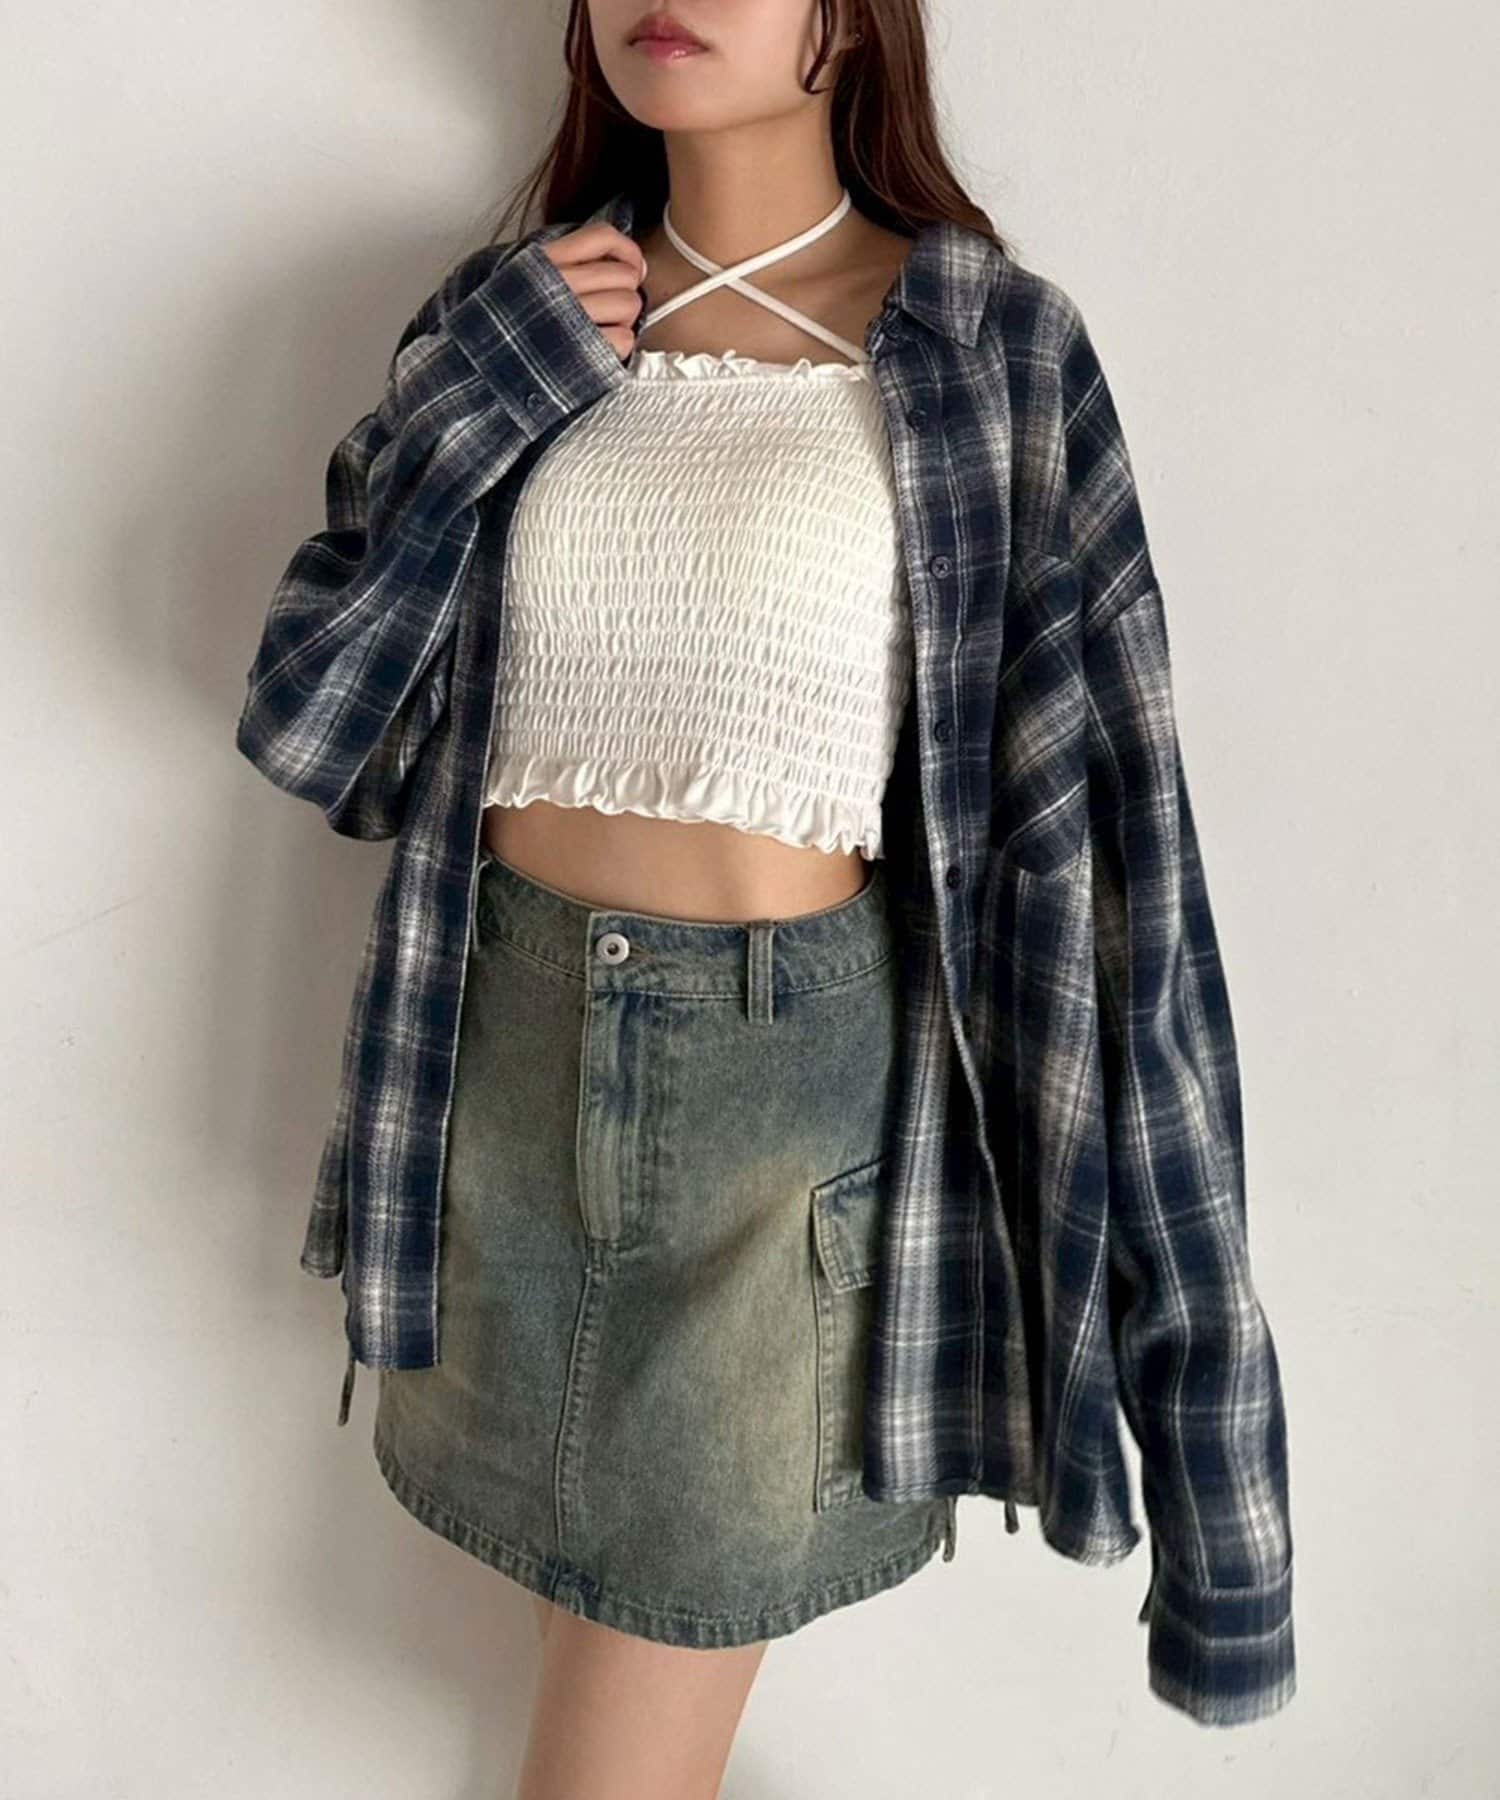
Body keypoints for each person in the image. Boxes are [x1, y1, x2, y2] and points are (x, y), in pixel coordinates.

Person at [236, 1, 1297, 1792]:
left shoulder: (993, 352)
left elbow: (1119, 887)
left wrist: (1213, 1467)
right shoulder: (510, 316)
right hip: (490, 1109)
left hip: (780, 1152)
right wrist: (484, 400)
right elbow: (318, 728)